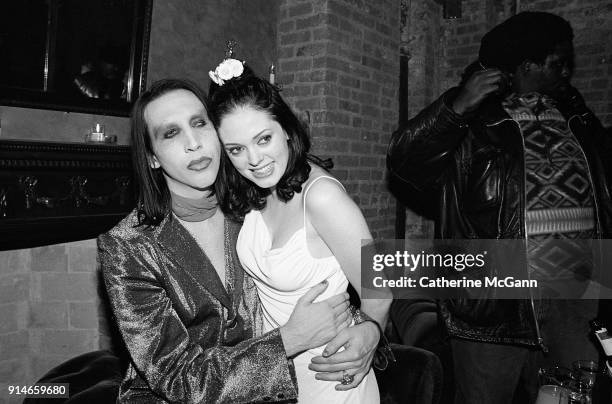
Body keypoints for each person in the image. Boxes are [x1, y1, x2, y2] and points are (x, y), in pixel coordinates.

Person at [99, 78, 379, 403]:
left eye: (199, 124)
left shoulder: (245, 201)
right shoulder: (127, 247)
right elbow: (177, 378)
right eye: (171, 133)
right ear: (152, 158)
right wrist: (289, 339)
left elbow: (330, 265)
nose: (194, 143)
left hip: (279, 390)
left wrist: (368, 325)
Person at [387, 11, 612, 404]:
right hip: (497, 297)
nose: (566, 72)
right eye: (558, 62)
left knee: (574, 395)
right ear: (528, 65)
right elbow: (405, 162)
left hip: (579, 290)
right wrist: (456, 107)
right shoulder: (478, 121)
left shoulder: (576, 117)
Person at [207, 59, 392, 403]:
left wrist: (372, 331)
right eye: (236, 149)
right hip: (275, 375)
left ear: (287, 130)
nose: (254, 159)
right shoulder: (257, 190)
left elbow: (379, 287)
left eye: (263, 139)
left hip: (331, 376)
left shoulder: (322, 198)